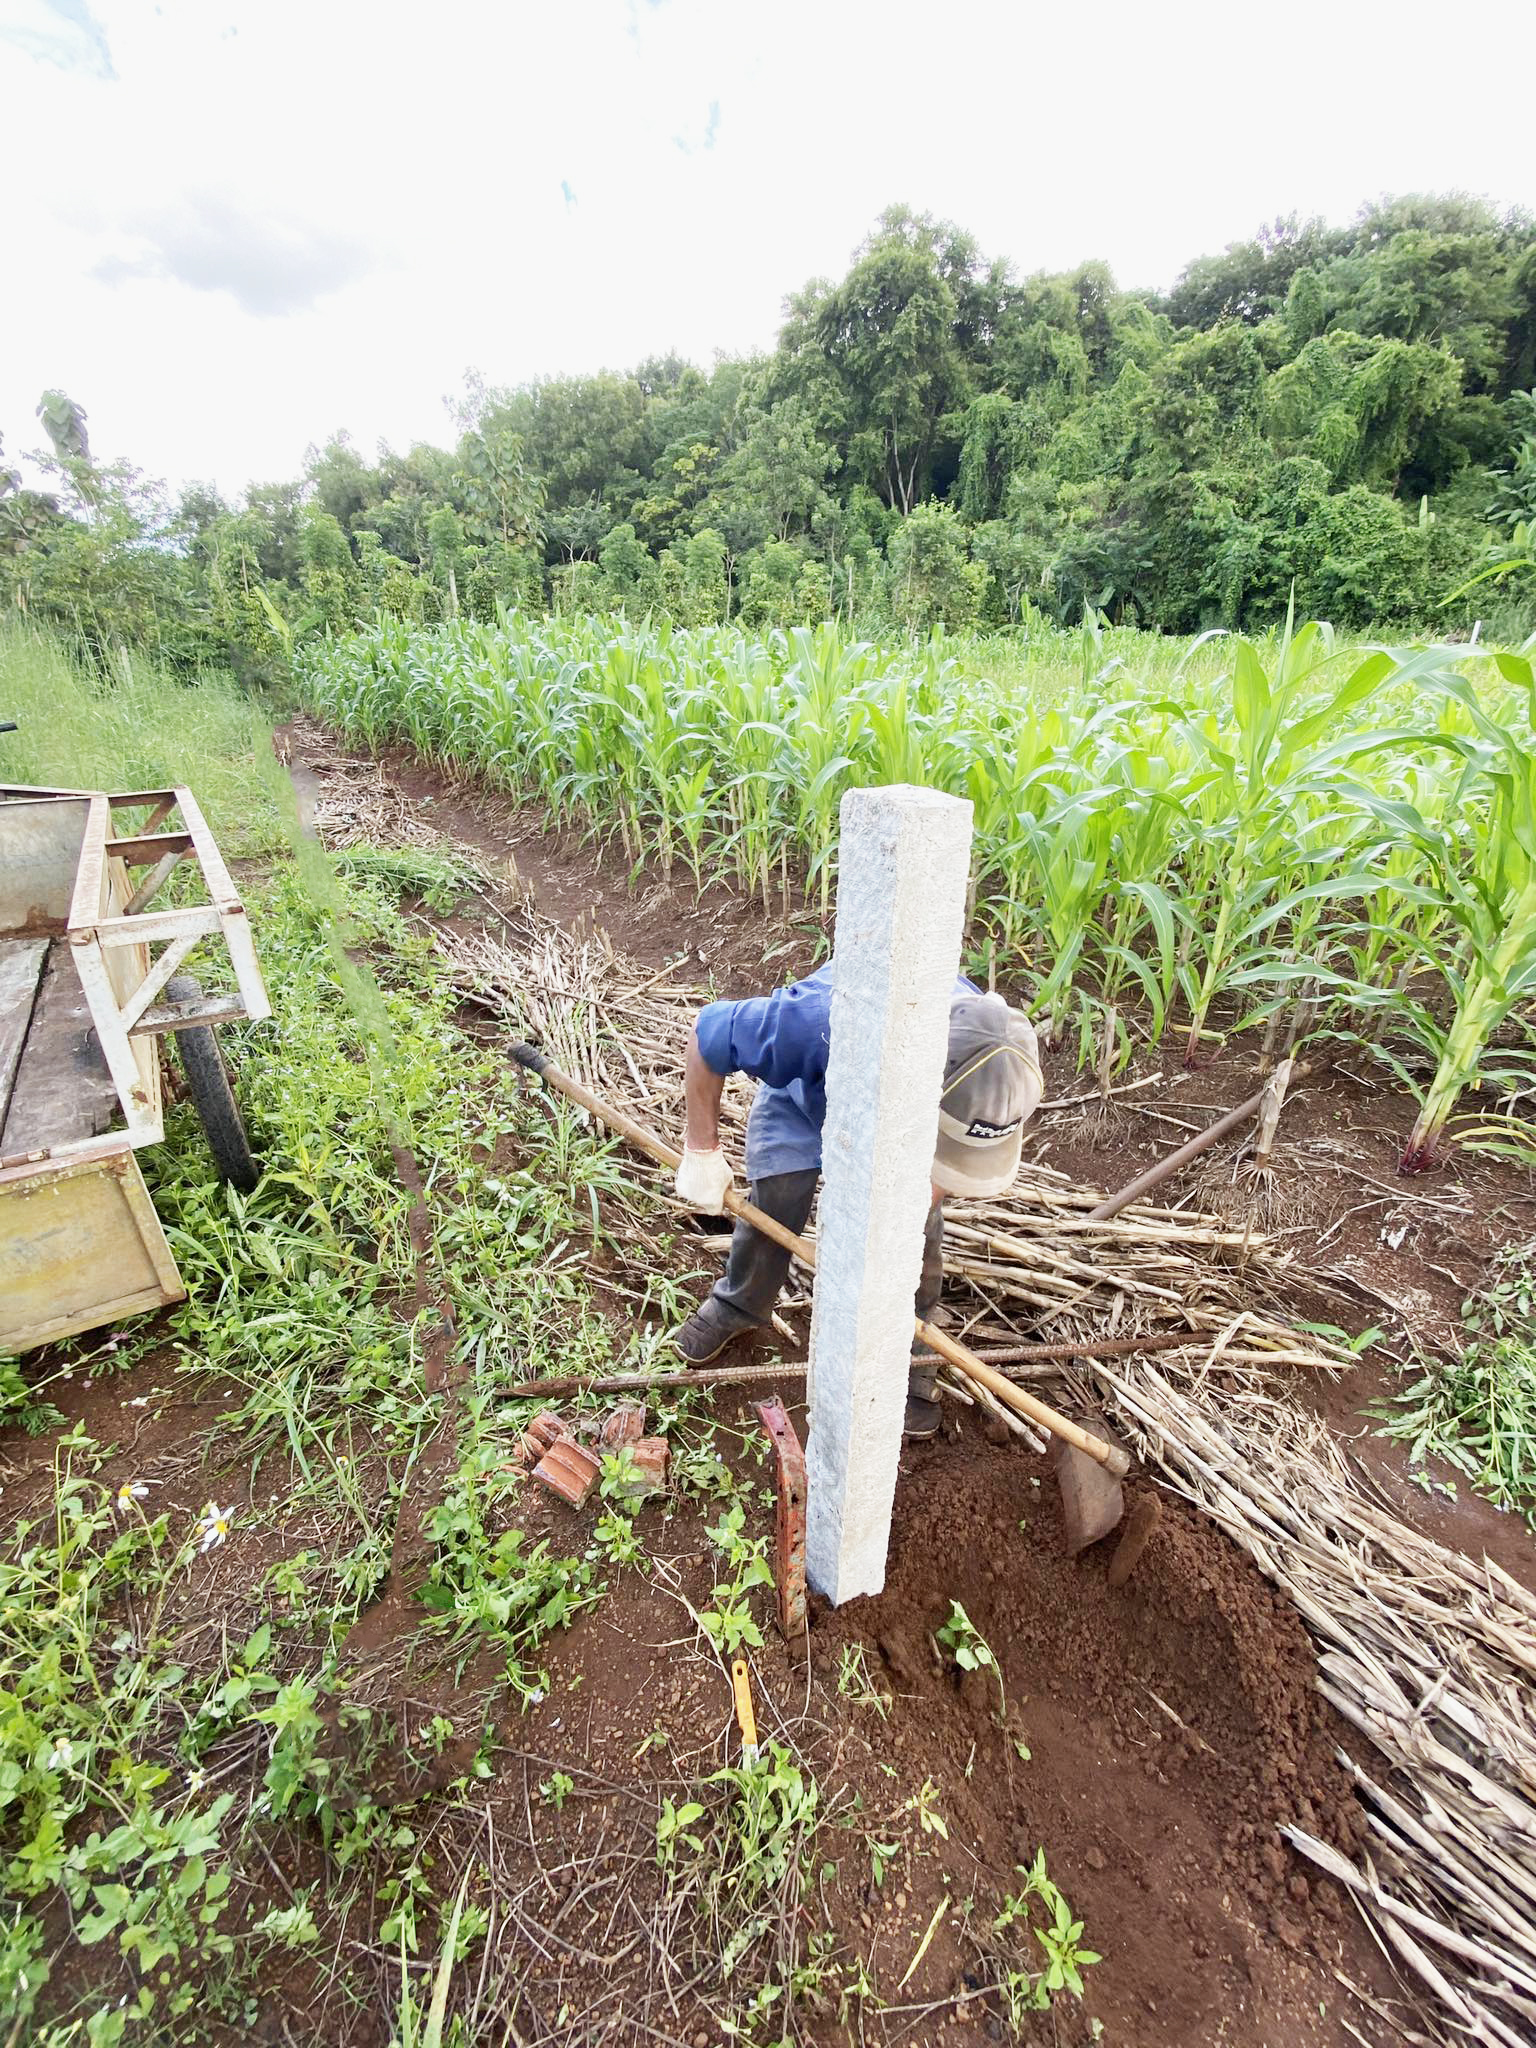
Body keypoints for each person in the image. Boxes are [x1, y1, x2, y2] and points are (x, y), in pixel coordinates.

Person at [670, 963, 1044, 1437]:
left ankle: (911, 1340)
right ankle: (739, 1305)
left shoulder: (1005, 1066)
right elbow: (708, 1036)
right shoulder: (820, 1022)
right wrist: (701, 1150)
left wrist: (905, 1215)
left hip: (900, 1126)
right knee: (777, 1197)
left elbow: (958, 1162)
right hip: (807, 1100)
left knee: (917, 1236)